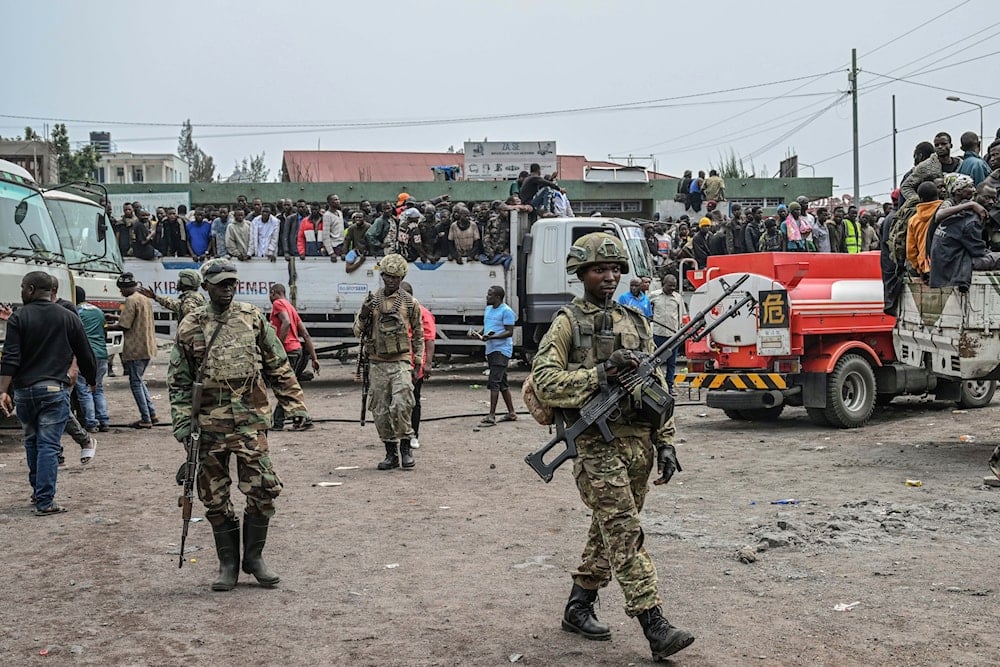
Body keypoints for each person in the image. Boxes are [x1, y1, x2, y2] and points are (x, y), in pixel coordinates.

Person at [530, 232, 693, 661]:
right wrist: (600, 374)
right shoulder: (567, 321)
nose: (610, 276)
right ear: (580, 273)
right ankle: (654, 623)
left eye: (616, 268)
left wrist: (668, 442)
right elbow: (545, 381)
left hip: (638, 445)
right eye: (600, 269)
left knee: (609, 529)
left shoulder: (636, 321)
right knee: (623, 530)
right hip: (594, 444)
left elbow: (658, 388)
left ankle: (578, 605)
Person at [169, 259, 308, 592]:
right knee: (214, 497)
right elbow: (178, 381)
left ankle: (254, 558)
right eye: (220, 284)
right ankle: (228, 563)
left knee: (263, 489)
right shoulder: (190, 325)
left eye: (232, 283)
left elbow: (278, 364)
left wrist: (294, 404)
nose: (228, 288)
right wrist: (182, 424)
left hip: (249, 422)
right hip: (208, 426)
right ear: (207, 287)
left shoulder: (252, 319)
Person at [1, 272, 97, 515]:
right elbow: (85, 352)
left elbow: (10, 358)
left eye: (23, 287)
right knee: (48, 445)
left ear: (31, 289)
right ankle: (45, 501)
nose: (21, 291)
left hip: (24, 392)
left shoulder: (19, 318)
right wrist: (92, 380)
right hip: (55, 390)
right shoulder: (68, 317)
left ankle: (37, 493)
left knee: (32, 442)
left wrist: (3, 390)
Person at [353, 254, 423, 471]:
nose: (390, 280)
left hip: (400, 361)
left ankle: (405, 448)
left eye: (395, 277)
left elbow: (418, 334)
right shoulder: (371, 301)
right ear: (382, 276)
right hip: (377, 362)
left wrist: (418, 361)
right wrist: (364, 316)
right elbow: (357, 332)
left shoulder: (410, 303)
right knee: (380, 409)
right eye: (387, 276)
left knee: (402, 404)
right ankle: (390, 451)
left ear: (401, 278)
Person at [107, 272, 158, 428]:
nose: (121, 292)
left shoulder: (130, 300)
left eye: (121, 289)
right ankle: (152, 413)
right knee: (140, 380)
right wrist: (116, 317)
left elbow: (125, 325)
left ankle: (145, 419)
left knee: (135, 383)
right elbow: (136, 319)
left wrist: (106, 326)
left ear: (127, 288)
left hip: (136, 348)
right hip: (147, 346)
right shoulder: (144, 299)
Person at [929, 182, 1000, 290]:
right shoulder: (972, 220)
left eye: (994, 199)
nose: (991, 202)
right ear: (975, 195)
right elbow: (977, 251)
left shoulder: (961, 208)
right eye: (987, 198)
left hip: (942, 260)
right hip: (953, 264)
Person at [267, 283, 318, 430]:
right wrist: (314, 358)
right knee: (289, 386)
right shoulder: (291, 308)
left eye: (270, 295)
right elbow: (305, 334)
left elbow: (286, 322)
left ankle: (299, 418)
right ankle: (282, 421)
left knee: (284, 386)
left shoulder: (278, 304)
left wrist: (278, 347)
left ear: (273, 292)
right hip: (297, 350)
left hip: (288, 351)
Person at [401, 281, 435, 449]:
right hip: (398, 362)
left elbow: (429, 339)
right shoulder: (395, 311)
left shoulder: (422, 312)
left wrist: (427, 364)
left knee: (414, 400)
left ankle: (414, 434)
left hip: (415, 364)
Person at [477, 285, 517, 426]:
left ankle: (492, 415)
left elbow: (509, 332)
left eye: (490, 295)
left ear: (498, 297)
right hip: (491, 349)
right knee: (502, 383)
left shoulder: (506, 311)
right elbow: (488, 326)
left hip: (502, 350)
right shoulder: (488, 309)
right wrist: (481, 333)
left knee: (494, 382)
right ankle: (511, 412)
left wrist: (493, 338)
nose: (487, 297)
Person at [74, 286, 110, 436]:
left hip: (86, 355)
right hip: (102, 353)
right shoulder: (98, 311)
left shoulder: (75, 312)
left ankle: (90, 422)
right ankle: (104, 420)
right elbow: (105, 330)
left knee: (84, 390)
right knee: (98, 388)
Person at [648, 274, 686, 394]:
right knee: (655, 362)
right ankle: (656, 386)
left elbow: (682, 315)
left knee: (671, 363)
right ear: (663, 284)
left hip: (673, 335)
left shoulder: (678, 298)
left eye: (674, 286)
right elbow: (648, 311)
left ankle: (670, 386)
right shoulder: (653, 296)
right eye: (670, 286)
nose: (672, 288)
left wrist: (681, 331)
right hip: (658, 334)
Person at [136, 269, 207, 320]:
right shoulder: (194, 296)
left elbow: (191, 322)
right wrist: (155, 297)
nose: (178, 282)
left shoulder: (190, 300)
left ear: (185, 282)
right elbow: (175, 305)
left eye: (180, 280)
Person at [323, 194, 345, 261]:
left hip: (342, 245)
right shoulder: (327, 215)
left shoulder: (339, 213)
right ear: (329, 202)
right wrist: (331, 252)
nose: (338, 201)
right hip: (334, 246)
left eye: (338, 199)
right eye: (335, 200)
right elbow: (325, 236)